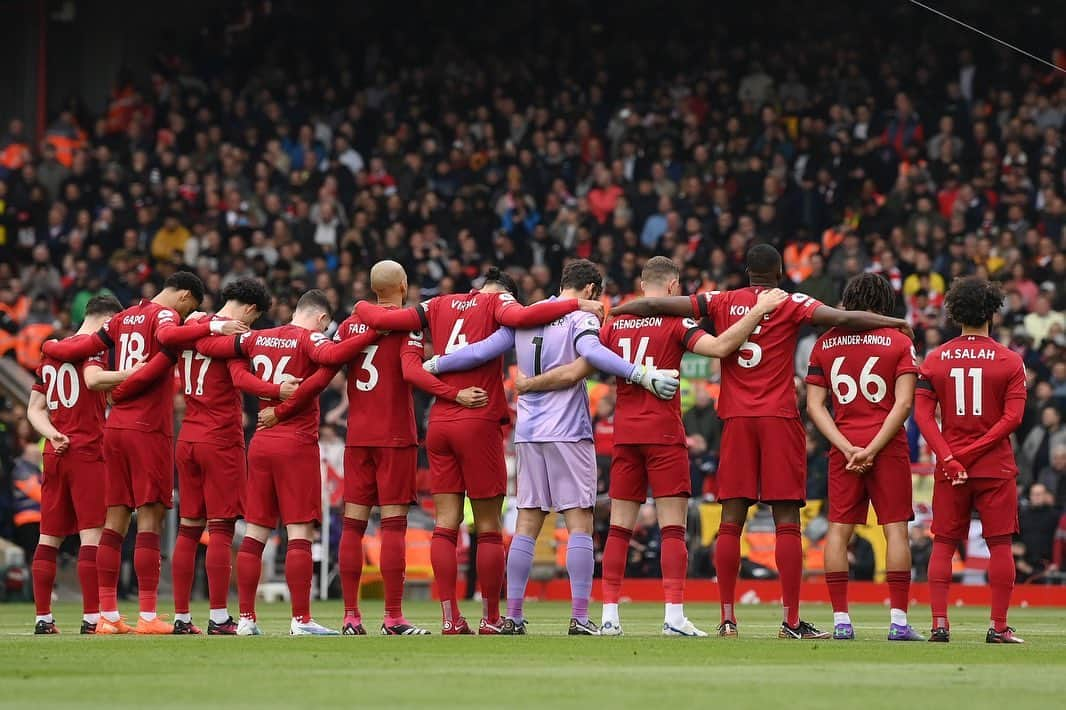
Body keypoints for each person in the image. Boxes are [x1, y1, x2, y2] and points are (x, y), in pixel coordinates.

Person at [610, 244, 909, 639]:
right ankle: (789, 621)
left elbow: (652, 307)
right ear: (781, 272)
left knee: (731, 520)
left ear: (746, 271)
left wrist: (615, 311)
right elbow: (843, 317)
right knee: (787, 518)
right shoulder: (791, 301)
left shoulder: (721, 299)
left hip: (735, 419)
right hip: (779, 419)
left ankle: (728, 618)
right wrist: (894, 321)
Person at [526, 256, 785, 635]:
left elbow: (576, 371)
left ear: (643, 283)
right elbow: (721, 347)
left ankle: (610, 617)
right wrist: (759, 311)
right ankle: (674, 616)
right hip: (664, 434)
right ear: (673, 286)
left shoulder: (616, 324)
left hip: (625, 436)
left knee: (618, 530)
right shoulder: (676, 321)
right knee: (672, 530)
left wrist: (529, 385)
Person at [423, 258, 681, 635]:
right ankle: (579, 617)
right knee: (579, 520)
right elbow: (591, 355)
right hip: (568, 430)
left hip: (528, 432)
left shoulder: (526, 313)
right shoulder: (582, 317)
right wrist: (641, 373)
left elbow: (482, 350)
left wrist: (438, 362)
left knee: (528, 522)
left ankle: (512, 616)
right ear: (591, 291)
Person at [355, 266, 605, 635]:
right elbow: (523, 316)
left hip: (439, 422)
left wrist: (361, 306)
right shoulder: (500, 303)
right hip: (479, 417)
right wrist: (577, 304)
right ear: (505, 292)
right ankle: (491, 618)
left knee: (445, 525)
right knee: (488, 528)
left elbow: (385, 316)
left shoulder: (438, 303)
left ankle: (450, 619)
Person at [265, 261, 483, 636]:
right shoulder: (408, 326)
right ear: (403, 283)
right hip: (394, 437)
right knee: (393, 527)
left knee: (353, 525)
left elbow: (325, 373)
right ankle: (393, 618)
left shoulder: (350, 326)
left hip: (357, 437)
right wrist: (454, 394)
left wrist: (282, 406)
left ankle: (351, 617)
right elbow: (412, 373)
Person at [41, 271, 248, 635]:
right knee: (151, 520)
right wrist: (212, 329)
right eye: (191, 309)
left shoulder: (122, 318)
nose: (188, 315)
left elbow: (79, 349)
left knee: (114, 522)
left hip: (115, 428)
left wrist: (50, 348)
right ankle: (149, 616)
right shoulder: (163, 316)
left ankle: (105, 615)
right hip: (148, 431)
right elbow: (169, 337)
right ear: (184, 296)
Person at [197, 288, 381, 635]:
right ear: (322, 319)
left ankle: (247, 620)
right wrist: (375, 329)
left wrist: (268, 392)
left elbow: (230, 370)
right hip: (296, 443)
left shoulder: (258, 336)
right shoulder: (310, 340)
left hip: (261, 442)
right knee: (299, 531)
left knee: (255, 532)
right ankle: (300, 620)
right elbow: (338, 354)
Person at [116, 278, 280, 634]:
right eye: (254, 319)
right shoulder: (232, 336)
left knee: (189, 530)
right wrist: (277, 392)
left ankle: (181, 616)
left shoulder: (190, 324)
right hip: (220, 439)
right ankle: (219, 617)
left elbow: (172, 342)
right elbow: (241, 379)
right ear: (250, 310)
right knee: (220, 529)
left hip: (187, 436)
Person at [804, 273, 924, 641]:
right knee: (895, 531)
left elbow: (814, 406)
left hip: (844, 445)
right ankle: (899, 623)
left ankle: (841, 621)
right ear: (884, 304)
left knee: (839, 532)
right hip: (886, 446)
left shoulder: (825, 343)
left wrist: (845, 447)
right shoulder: (898, 340)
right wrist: (872, 449)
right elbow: (904, 403)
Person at [914, 276, 1027, 644]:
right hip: (995, 467)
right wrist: (974, 451)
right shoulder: (1010, 361)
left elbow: (922, 416)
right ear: (993, 311)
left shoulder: (935, 359)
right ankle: (997, 626)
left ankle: (940, 624)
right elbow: (1013, 419)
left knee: (944, 544)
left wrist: (949, 456)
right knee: (999, 545)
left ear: (953, 312)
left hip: (951, 468)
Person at [26, 295, 131, 634]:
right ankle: (90, 619)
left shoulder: (51, 353)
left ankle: (43, 619)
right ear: (106, 322)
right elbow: (93, 382)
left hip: (55, 453)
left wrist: (53, 435)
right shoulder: (94, 353)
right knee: (92, 537)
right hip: (87, 451)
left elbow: (34, 409)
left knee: (48, 538)